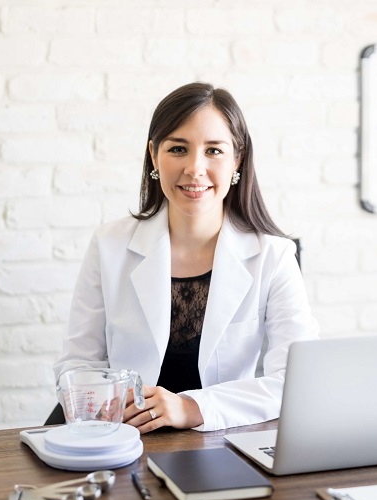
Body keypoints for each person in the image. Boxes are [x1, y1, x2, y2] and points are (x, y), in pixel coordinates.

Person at [53, 82, 318, 433]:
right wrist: (112, 405)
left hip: (220, 432)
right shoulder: (109, 245)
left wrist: (192, 407)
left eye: (214, 151)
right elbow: (79, 362)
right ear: (154, 155)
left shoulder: (274, 255)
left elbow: (296, 381)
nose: (195, 168)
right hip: (123, 432)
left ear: (238, 158)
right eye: (178, 149)